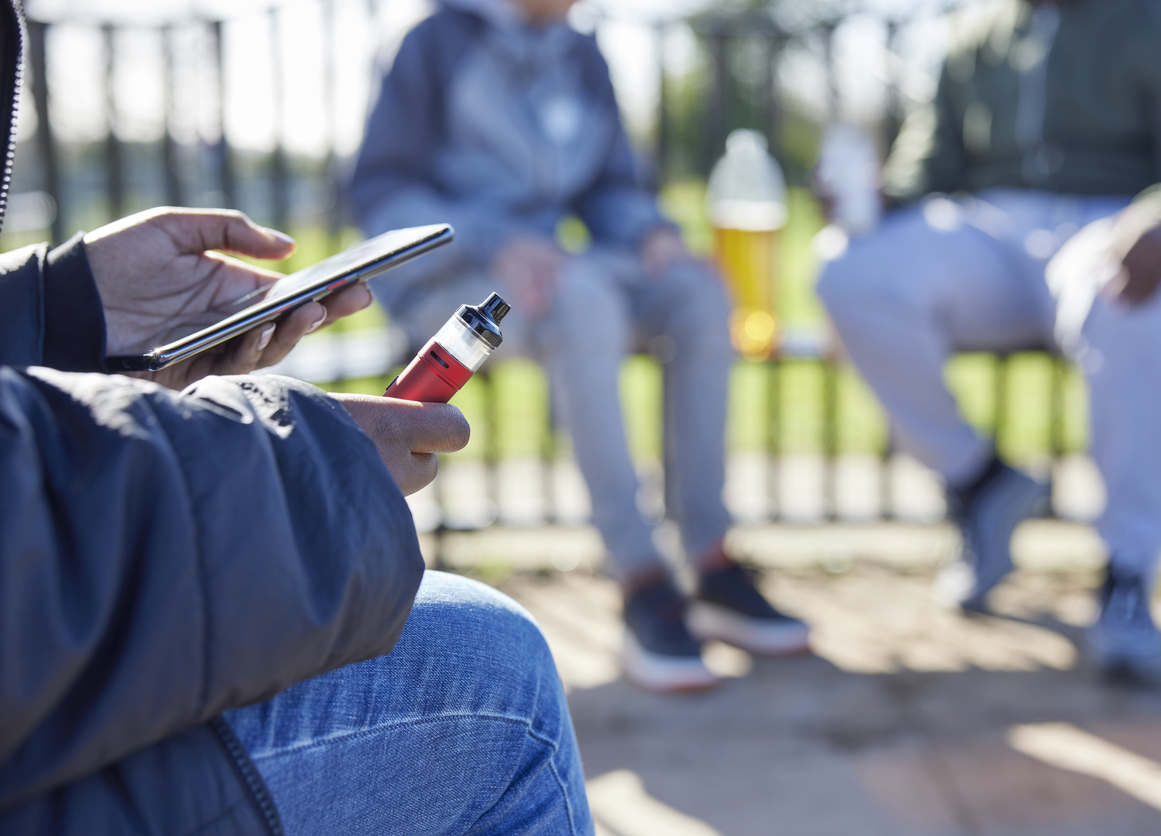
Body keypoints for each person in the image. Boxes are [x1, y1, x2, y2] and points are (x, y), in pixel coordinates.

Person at [0, 3, 592, 833]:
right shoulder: (439, 44)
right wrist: (309, 467)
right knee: (494, 679)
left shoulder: (580, 52)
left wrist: (57, 310)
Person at [350, 0, 810, 692]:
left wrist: (650, 231)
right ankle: (641, 577)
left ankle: (710, 559)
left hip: (559, 272)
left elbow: (610, 191)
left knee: (698, 292)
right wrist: (496, 237)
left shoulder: (582, 55)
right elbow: (380, 193)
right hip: (452, 282)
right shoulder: (433, 43)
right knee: (586, 297)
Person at [818, 0, 1161, 685]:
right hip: (991, 229)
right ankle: (981, 483)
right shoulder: (972, 30)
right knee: (849, 270)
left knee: (1139, 299)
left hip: (1114, 224)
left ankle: (1128, 571)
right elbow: (928, 166)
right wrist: (876, 198)